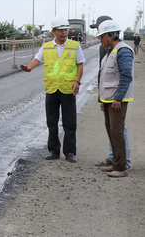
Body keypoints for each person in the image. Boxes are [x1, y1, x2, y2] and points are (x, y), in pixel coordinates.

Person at [19, 15, 85, 163]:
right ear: (53, 31)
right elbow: (37, 59)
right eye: (61, 30)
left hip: (68, 89)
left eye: (65, 30)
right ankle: (54, 151)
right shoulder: (47, 47)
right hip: (52, 89)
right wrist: (28, 67)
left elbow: (80, 64)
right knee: (52, 122)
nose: (64, 33)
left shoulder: (75, 46)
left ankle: (69, 152)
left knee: (70, 123)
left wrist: (77, 81)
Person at [90, 15, 131, 169]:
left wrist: (118, 98)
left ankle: (121, 166)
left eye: (102, 37)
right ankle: (115, 161)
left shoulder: (123, 51)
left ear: (111, 35)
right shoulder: (109, 51)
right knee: (112, 131)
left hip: (116, 99)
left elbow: (126, 76)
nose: (100, 40)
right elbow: (104, 77)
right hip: (108, 99)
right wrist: (101, 98)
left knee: (118, 131)